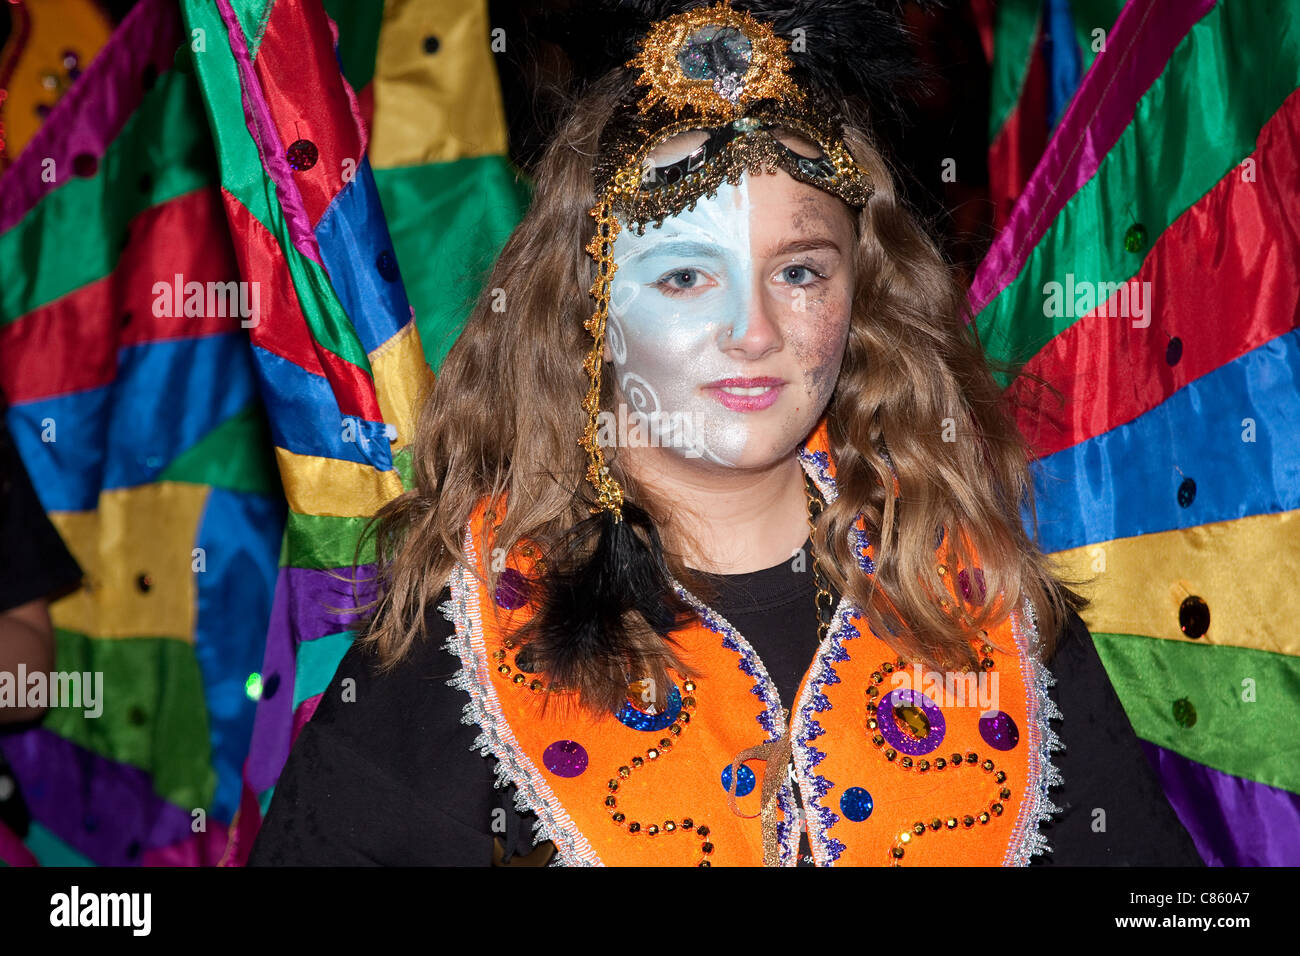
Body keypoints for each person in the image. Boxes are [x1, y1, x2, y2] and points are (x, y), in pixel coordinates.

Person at [250, 0, 1202, 867]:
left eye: (798, 272)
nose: (754, 332)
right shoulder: (462, 636)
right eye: (683, 277)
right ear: (586, 309)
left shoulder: (974, 591)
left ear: (860, 294)